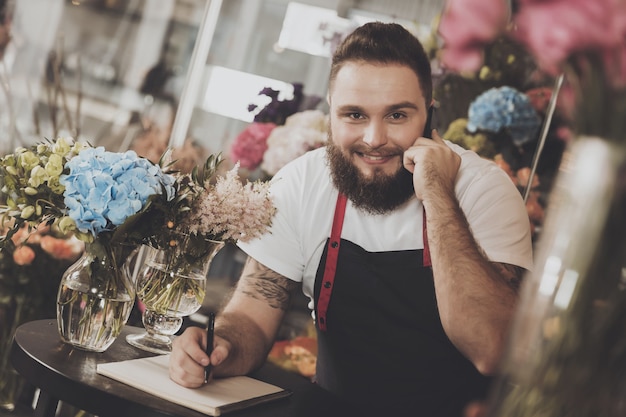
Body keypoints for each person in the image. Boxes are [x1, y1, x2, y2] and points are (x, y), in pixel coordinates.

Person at [169, 22, 533, 417]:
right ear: (331, 115)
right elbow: (252, 316)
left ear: (430, 117)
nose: (374, 138)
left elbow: (493, 349)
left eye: (397, 115)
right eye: (354, 115)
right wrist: (220, 347)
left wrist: (439, 195)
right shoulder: (303, 183)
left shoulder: (485, 191)